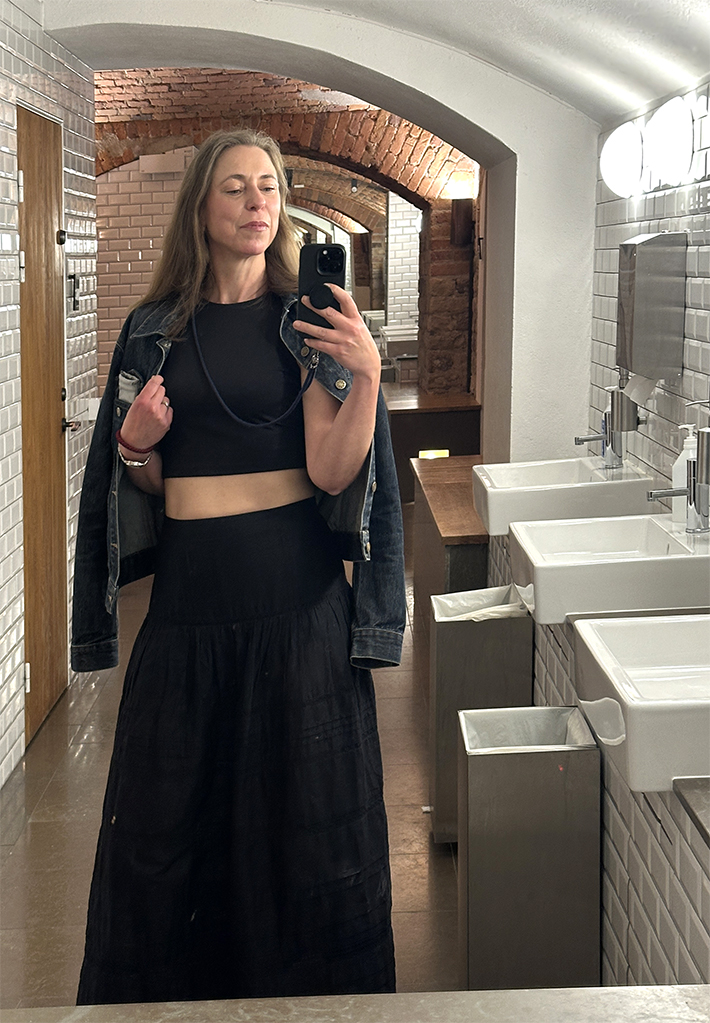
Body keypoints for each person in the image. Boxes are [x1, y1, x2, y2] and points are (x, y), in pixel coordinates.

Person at [71, 128, 406, 1004]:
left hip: (301, 617)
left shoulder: (307, 323)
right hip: (187, 620)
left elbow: (331, 470)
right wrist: (135, 444)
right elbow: (150, 480)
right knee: (167, 849)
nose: (258, 202)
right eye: (236, 187)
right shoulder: (154, 329)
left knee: (306, 849)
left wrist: (367, 374)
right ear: (201, 208)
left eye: (269, 186)